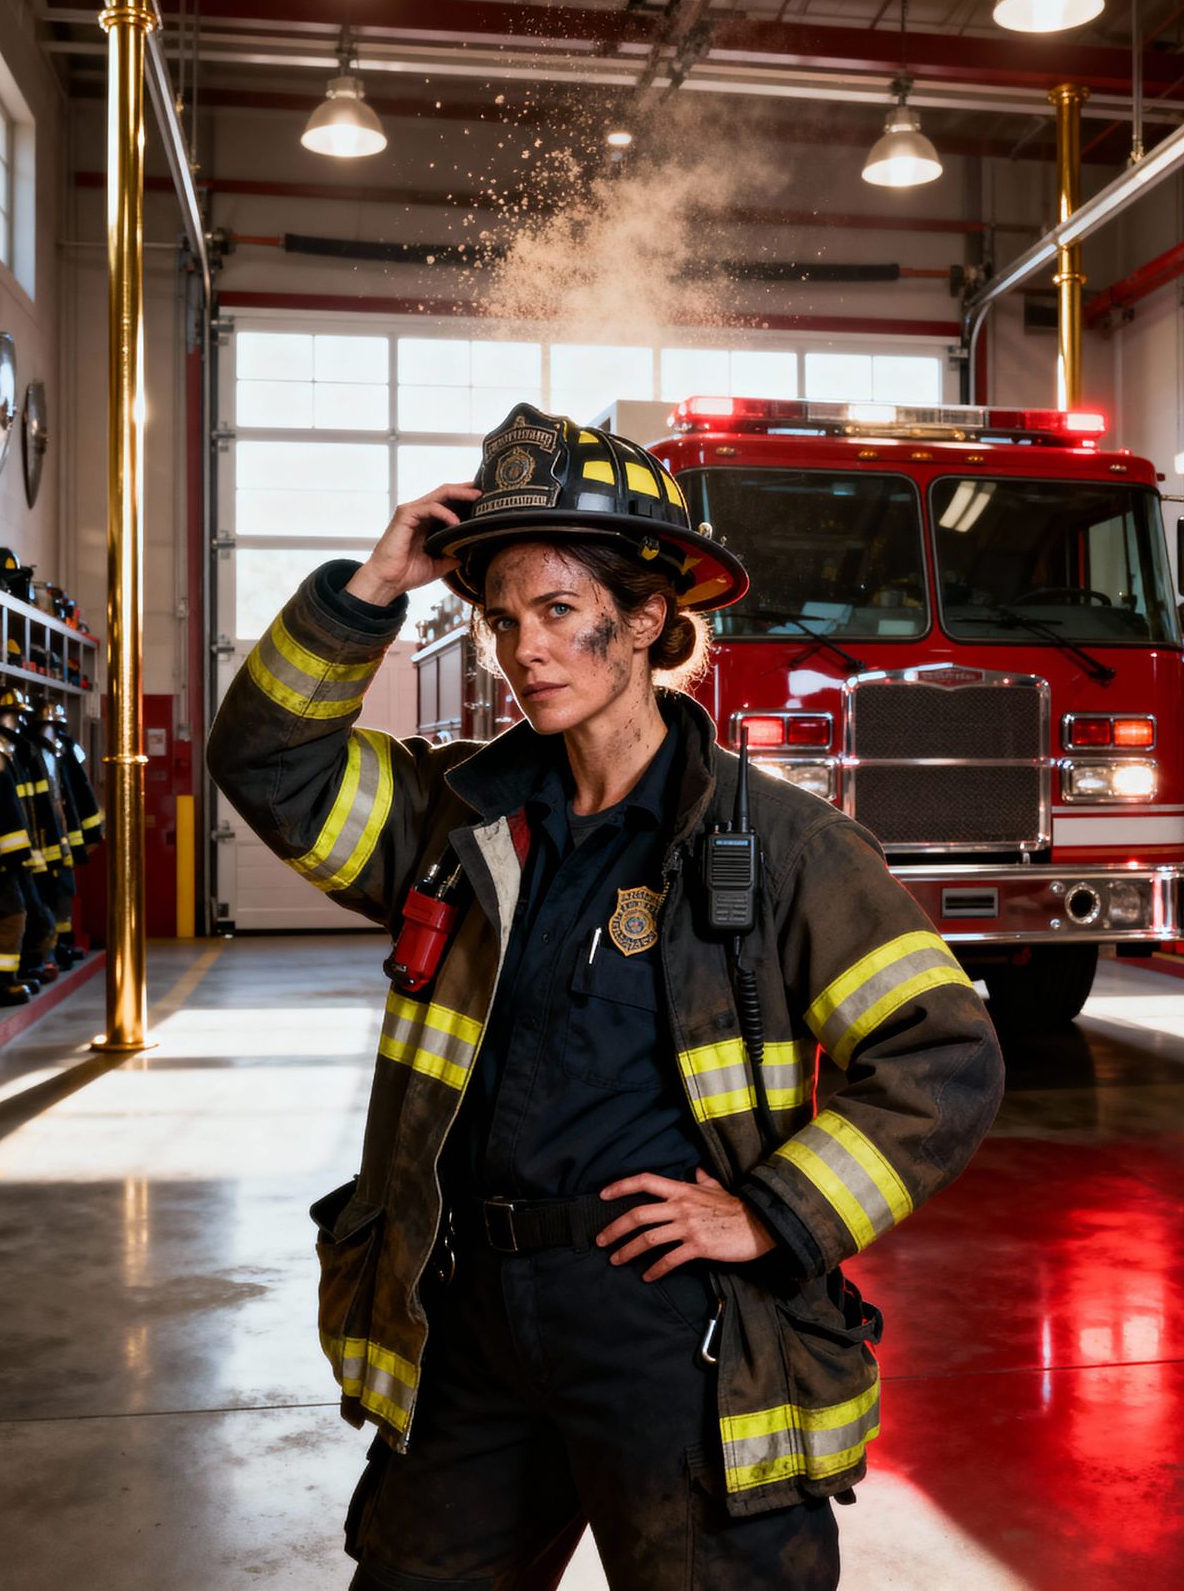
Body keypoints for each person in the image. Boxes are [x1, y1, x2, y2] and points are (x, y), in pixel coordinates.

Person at [207, 403, 1004, 1591]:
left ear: (643, 621)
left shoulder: (782, 844)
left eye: (561, 613)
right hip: (469, 1315)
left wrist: (770, 1213)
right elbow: (267, 760)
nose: (526, 650)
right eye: (503, 620)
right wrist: (373, 584)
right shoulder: (454, 820)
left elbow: (943, 1056)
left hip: (667, 1329)